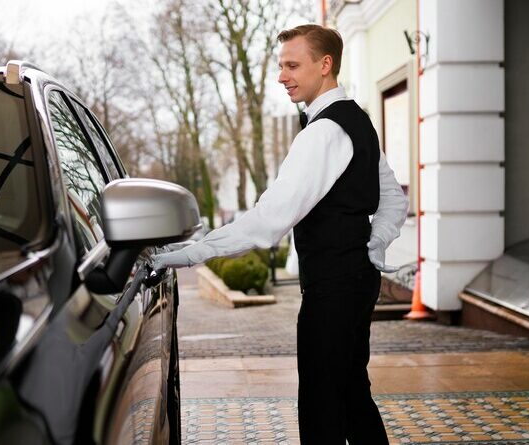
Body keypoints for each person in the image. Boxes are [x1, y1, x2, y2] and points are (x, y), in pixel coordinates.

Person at [152, 24, 408, 444]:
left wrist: (191, 253)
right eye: (280, 66)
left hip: (332, 288)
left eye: (292, 65)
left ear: (325, 65)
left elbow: (269, 220)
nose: (281, 76)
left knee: (323, 405)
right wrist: (373, 245)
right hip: (357, 281)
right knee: (350, 393)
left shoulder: (322, 132)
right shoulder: (359, 121)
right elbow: (394, 201)